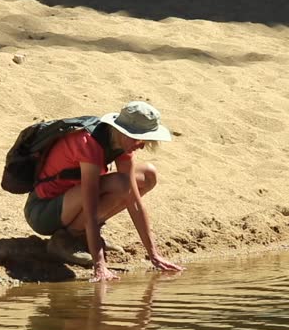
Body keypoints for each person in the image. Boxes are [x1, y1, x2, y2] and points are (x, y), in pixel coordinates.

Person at [23, 101, 184, 282]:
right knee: (121, 184)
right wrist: (100, 266)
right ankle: (67, 240)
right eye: (139, 138)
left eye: (145, 140)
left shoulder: (120, 144)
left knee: (147, 175)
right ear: (122, 131)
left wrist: (154, 255)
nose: (142, 145)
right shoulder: (89, 143)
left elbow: (135, 202)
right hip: (42, 212)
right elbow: (90, 208)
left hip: (70, 205)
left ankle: (80, 235)